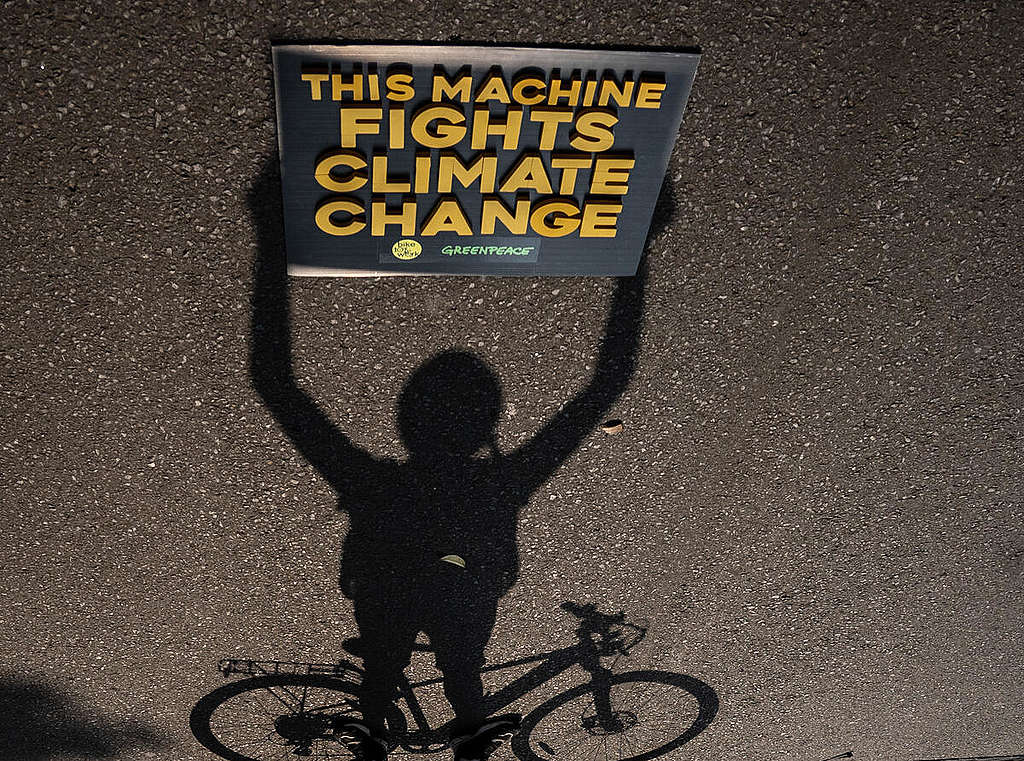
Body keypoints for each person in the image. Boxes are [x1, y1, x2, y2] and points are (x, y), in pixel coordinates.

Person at [248, 159, 645, 761]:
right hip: (464, 589)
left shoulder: (373, 482)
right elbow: (608, 380)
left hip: (387, 590)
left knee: (385, 673)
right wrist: (637, 251)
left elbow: (275, 380)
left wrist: (272, 235)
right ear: (487, 425)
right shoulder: (502, 482)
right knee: (464, 681)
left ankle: (378, 734)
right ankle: (453, 739)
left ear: (407, 422)